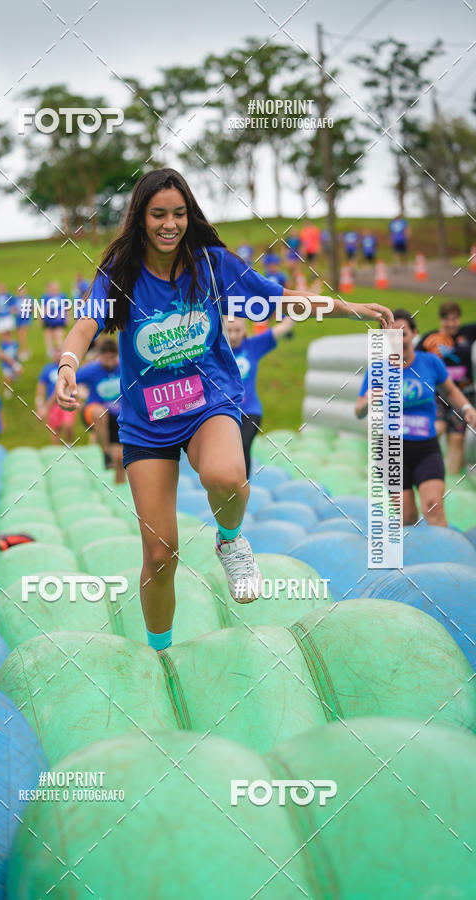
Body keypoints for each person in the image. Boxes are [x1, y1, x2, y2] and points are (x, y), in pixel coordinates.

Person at [54, 167, 393, 652]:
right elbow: (86, 325)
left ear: (189, 214)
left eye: (179, 213)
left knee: (228, 476)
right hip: (147, 422)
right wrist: (68, 363)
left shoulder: (212, 265)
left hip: (207, 402)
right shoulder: (121, 273)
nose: (170, 224)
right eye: (158, 214)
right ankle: (161, 654)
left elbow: (280, 299)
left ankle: (230, 540)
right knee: (160, 555)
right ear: (141, 217)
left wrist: (351, 308)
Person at [355, 309, 476, 526]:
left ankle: (443, 547)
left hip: (425, 448)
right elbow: (358, 411)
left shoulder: (430, 362)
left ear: (414, 334)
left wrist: (467, 408)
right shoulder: (377, 370)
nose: (398, 340)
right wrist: (367, 401)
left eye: (403, 334)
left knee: (433, 507)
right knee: (407, 516)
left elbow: (450, 391)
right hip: (391, 450)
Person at [225, 316, 294, 478]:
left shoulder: (253, 346)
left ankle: (243, 485)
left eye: (237, 330)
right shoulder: (217, 350)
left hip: (251, 411)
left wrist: (294, 310)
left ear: (244, 330)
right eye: (229, 331)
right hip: (226, 413)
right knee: (227, 451)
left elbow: (283, 327)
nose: (233, 335)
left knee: (243, 445)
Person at [416, 301, 476, 474]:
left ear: (459, 319)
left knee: (457, 437)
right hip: (439, 394)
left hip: (463, 395)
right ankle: (421, 465)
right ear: (441, 320)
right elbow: (414, 360)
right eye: (447, 320)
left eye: (455, 319)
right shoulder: (430, 339)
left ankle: (451, 479)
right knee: (438, 428)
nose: (451, 324)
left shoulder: (468, 333)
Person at [77, 338, 125, 483]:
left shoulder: (123, 368)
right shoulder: (92, 370)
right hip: (94, 412)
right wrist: (74, 398)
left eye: (112, 357)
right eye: (106, 357)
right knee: (100, 413)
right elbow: (68, 380)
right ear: (100, 356)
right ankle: (105, 452)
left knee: (120, 459)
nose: (109, 361)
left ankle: (119, 485)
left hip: (116, 418)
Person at [36, 349, 77, 444]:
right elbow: (41, 387)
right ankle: (56, 449)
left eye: (60, 354)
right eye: (56, 354)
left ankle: (69, 444)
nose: (58, 356)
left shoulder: (68, 368)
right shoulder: (47, 369)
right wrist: (40, 405)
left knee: (68, 425)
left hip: (67, 402)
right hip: (53, 404)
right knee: (54, 429)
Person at [41, 281, 69, 357]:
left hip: (59, 320)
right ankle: (50, 351)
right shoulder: (46, 297)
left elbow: (66, 308)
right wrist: (42, 318)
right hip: (49, 320)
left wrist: (67, 318)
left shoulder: (62, 296)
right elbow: (43, 308)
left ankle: (60, 350)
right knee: (49, 335)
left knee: (59, 335)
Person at [12, 286, 33, 361]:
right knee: (19, 335)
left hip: (25, 319)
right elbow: (12, 309)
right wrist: (15, 311)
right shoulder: (15, 299)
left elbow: (31, 308)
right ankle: (20, 350)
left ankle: (24, 351)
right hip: (18, 320)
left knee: (23, 335)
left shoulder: (28, 298)